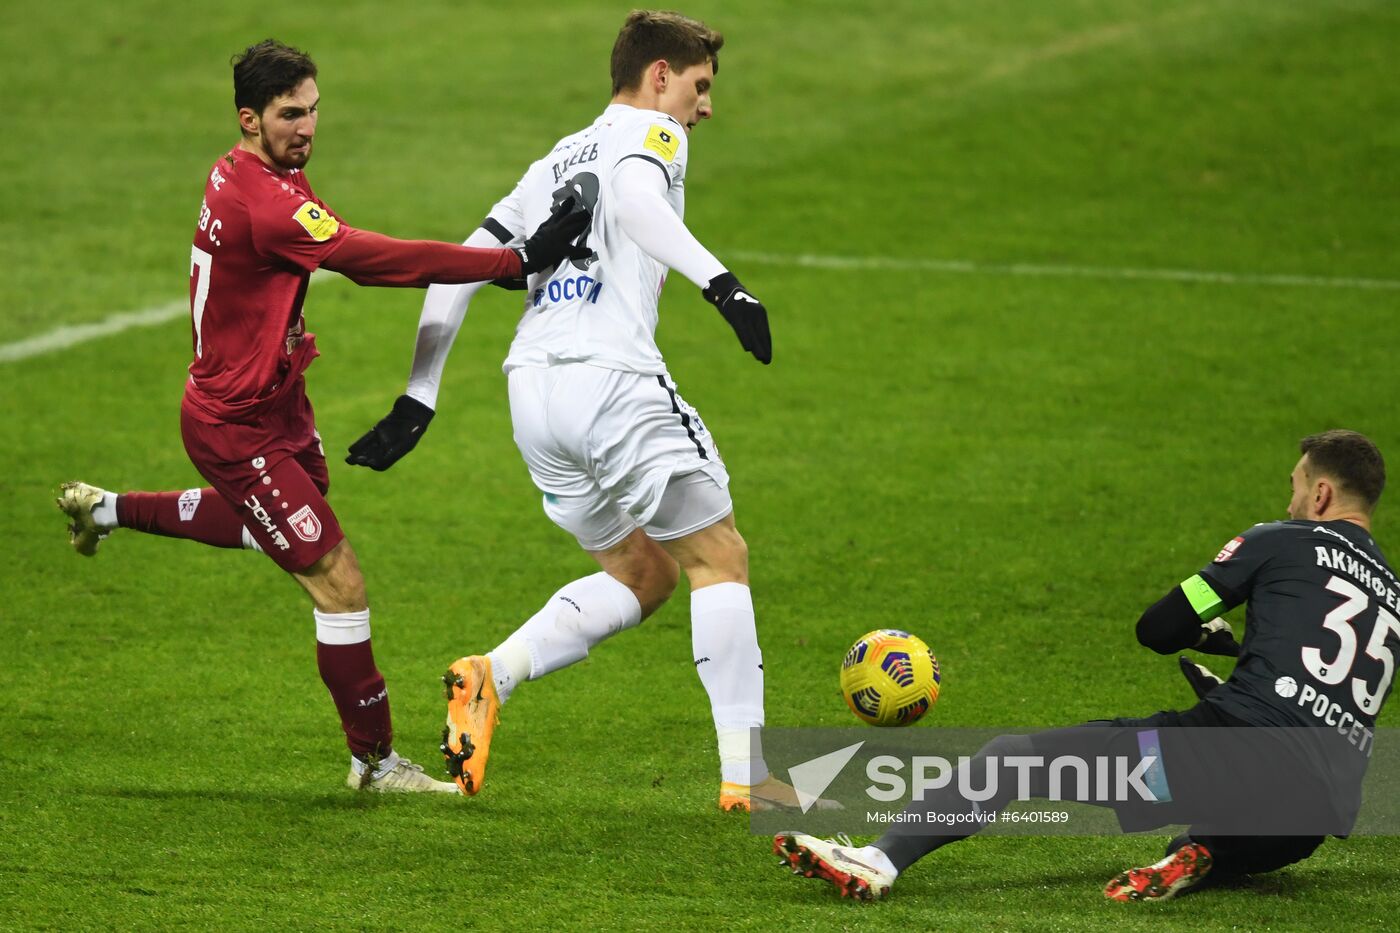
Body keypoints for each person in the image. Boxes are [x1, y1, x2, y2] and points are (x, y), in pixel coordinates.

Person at [55, 39, 589, 793]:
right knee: (336, 578)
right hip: (235, 425)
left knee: (279, 522)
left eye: (312, 110)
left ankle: (106, 510)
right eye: (288, 114)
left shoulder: (255, 170)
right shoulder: (267, 201)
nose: (306, 127)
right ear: (249, 117)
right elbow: (373, 258)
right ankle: (373, 761)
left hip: (274, 401)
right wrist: (512, 262)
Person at [345, 11, 807, 812]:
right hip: (612, 387)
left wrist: (419, 393)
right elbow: (633, 204)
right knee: (718, 555)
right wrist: (724, 285)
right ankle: (747, 777)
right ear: (659, 74)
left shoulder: (555, 160)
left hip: (533, 397)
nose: (705, 108)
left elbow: (459, 265)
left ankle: (491, 674)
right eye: (700, 87)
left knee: (644, 571)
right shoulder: (655, 136)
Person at [775, 429, 1394, 901]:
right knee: (1210, 829)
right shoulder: (1391, 598)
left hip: (1229, 759)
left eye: (1294, 486)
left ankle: (878, 862)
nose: (1289, 501)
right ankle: (1204, 854)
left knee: (1013, 758)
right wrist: (1243, 669)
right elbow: (1327, 682)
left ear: (1319, 492)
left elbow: (1160, 627)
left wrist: (1206, 636)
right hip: (1315, 812)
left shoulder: (1277, 541)